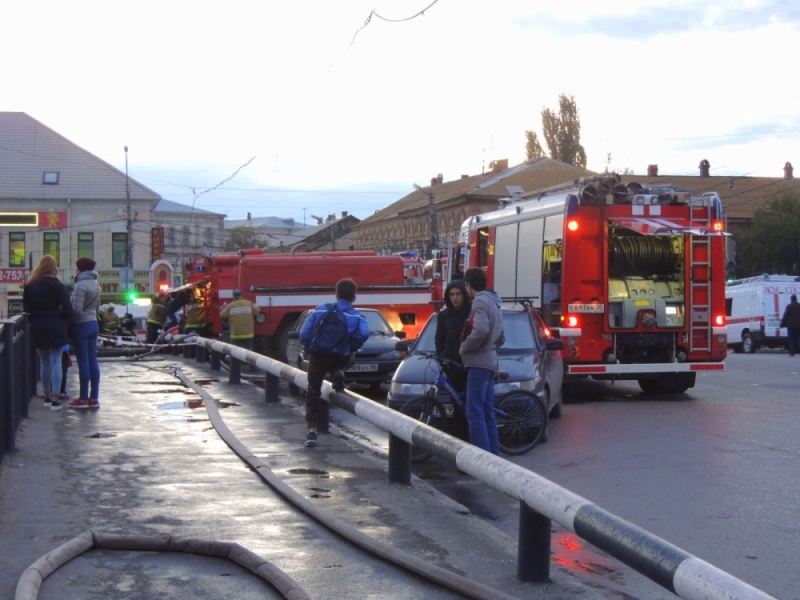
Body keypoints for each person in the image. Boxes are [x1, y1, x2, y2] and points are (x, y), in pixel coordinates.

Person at [299, 279, 369, 448]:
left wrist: (310, 347)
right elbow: (363, 334)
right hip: (341, 356)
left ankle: (312, 431)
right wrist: (349, 347)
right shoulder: (356, 315)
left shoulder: (320, 310)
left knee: (313, 391)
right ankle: (340, 371)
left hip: (318, 357)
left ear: (336, 294)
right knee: (350, 355)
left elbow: (304, 334)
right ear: (354, 297)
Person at [459, 267, 504, 455]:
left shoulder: (479, 302)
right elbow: (501, 337)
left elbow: (480, 330)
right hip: (490, 363)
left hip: (478, 364)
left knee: (474, 412)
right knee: (487, 412)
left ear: (469, 285)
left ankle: (482, 460)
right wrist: (490, 348)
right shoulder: (495, 302)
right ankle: (494, 456)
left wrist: (465, 347)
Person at [22, 255, 73, 411]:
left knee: (44, 361)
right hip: (56, 325)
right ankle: (56, 399)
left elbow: (27, 309)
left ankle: (46, 396)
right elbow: (68, 309)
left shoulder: (30, 286)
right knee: (56, 360)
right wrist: (61, 318)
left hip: (38, 325)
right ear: (54, 268)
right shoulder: (58, 285)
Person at [69, 257, 101, 409]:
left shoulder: (80, 285)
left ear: (80, 269)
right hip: (93, 324)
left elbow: (76, 309)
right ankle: (94, 398)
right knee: (93, 361)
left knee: (83, 362)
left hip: (81, 325)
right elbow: (98, 307)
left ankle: (82, 398)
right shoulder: (96, 284)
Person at [434, 280, 472, 393]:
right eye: (452, 294)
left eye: (458, 294)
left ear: (464, 294)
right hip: (450, 366)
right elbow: (439, 339)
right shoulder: (443, 316)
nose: (455, 297)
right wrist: (442, 357)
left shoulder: (471, 313)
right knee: (455, 401)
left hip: (468, 365)